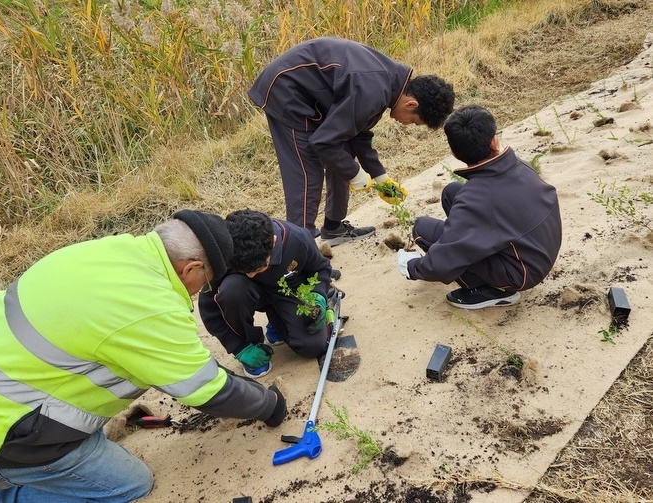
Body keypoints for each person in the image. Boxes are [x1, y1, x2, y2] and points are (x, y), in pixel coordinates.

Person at [0, 210, 287, 502]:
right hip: (2, 434)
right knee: (129, 485)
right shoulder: (148, 306)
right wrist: (268, 404)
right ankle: (2, 490)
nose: (198, 290)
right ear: (192, 268)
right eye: (203, 281)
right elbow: (207, 389)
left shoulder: (111, 250)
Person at [248, 36, 455, 246]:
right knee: (306, 172)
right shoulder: (372, 90)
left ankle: (333, 227)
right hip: (286, 89)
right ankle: (301, 251)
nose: (405, 124)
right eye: (413, 121)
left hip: (309, 90)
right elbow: (322, 143)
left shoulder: (389, 84)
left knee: (343, 147)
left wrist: (380, 177)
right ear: (411, 104)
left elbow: (357, 132)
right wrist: (355, 174)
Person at [396, 105, 562, 309]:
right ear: (494, 141)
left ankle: (490, 291)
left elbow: (441, 262)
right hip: (539, 250)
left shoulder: (476, 199)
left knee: (421, 229)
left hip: (522, 273)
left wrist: (411, 267)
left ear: (454, 153)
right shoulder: (519, 165)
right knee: (452, 192)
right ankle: (472, 247)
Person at [199, 209, 334, 378]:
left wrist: (319, 295)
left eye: (258, 269)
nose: (250, 275)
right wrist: (238, 347)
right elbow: (208, 306)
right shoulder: (222, 253)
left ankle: (278, 322)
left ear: (274, 242)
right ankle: (251, 344)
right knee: (232, 290)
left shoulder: (298, 239)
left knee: (313, 346)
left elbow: (321, 269)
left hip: (287, 292)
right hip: (245, 293)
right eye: (245, 271)